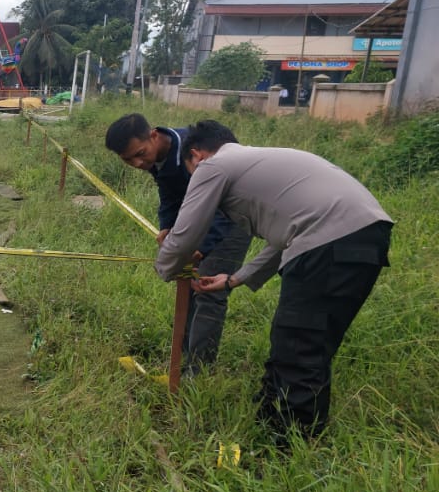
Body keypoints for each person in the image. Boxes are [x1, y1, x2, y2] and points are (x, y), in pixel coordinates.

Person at [155, 121, 393, 443]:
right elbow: (287, 237)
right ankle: (275, 422)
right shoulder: (259, 162)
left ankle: (287, 446)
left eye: (191, 171)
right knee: (307, 342)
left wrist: (165, 268)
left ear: (196, 155)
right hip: (367, 236)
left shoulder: (213, 165)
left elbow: (184, 236)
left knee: (298, 346)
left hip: (330, 242)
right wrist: (234, 279)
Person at [105, 113, 251, 374]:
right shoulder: (158, 158)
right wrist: (167, 226)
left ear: (153, 135)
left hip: (234, 219)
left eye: (140, 153)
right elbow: (170, 193)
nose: (138, 163)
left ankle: (198, 374)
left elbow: (221, 204)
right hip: (205, 217)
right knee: (191, 287)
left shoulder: (192, 152)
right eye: (128, 160)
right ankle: (183, 362)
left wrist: (200, 246)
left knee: (209, 291)